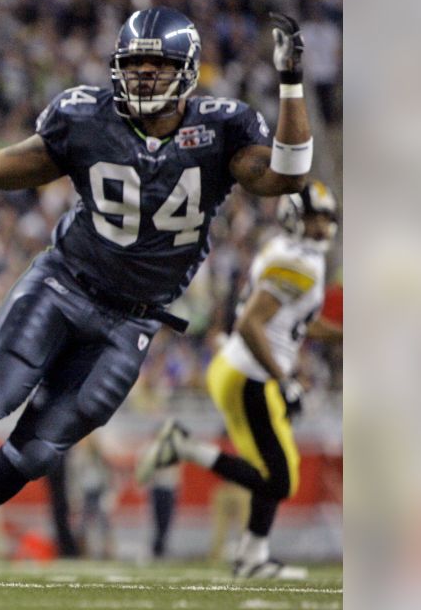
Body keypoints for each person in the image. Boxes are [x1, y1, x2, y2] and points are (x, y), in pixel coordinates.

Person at [0, 7, 314, 584]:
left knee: (34, 456)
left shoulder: (223, 128)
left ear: (188, 69)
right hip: (62, 285)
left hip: (132, 323)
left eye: (158, 63)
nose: (145, 75)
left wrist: (291, 83)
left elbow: (288, 178)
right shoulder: (84, 117)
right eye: (135, 63)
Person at [135, 180, 342, 578]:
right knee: (278, 479)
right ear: (297, 219)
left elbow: (293, 321)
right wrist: (284, 380)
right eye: (317, 218)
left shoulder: (290, 252)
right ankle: (186, 448)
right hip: (250, 373)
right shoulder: (300, 261)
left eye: (326, 219)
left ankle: (252, 555)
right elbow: (249, 323)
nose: (324, 227)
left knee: (275, 471)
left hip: (242, 369)